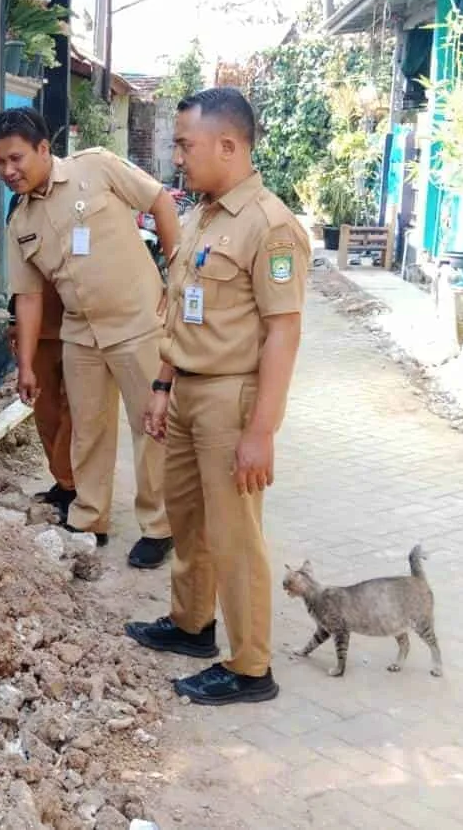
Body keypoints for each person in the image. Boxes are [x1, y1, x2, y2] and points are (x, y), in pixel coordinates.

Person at [127, 87, 307, 706]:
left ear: (228, 146)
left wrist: (261, 431)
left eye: (185, 144)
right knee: (189, 520)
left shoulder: (271, 227)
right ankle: (190, 626)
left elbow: (284, 329)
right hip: (186, 394)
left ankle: (251, 666)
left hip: (231, 400)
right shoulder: (203, 213)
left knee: (234, 534)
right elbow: (182, 311)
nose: (177, 156)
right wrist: (162, 385)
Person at [0, 106, 178, 570]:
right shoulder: (20, 223)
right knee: (89, 429)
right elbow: (30, 298)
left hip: (138, 322)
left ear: (42, 149)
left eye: (15, 159)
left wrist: (176, 273)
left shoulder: (96, 167)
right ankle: (89, 518)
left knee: (151, 429)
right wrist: (27, 365)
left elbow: (160, 202)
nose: (8, 171)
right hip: (80, 333)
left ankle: (159, 527)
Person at [5, 193, 76, 507]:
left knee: (75, 411)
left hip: (79, 327)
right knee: (45, 412)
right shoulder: (18, 209)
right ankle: (63, 482)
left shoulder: (75, 203)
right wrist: (15, 325)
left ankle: (71, 482)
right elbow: (20, 282)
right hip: (38, 329)